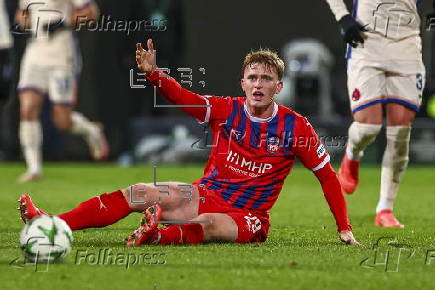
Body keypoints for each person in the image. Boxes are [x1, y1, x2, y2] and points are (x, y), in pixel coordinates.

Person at [18, 39, 359, 246]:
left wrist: (344, 228)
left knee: (208, 225)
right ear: (242, 82)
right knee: (139, 192)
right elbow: (185, 98)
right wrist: (154, 75)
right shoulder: (226, 110)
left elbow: (327, 176)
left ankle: (156, 235)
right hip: (205, 194)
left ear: (278, 87)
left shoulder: (295, 127)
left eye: (266, 79)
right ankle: (52, 223)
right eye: (252, 77)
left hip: (248, 216)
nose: (258, 84)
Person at [325, 0, 435, 227]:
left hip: (406, 46)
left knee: (401, 131)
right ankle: (352, 155)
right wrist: (342, 17)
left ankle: (385, 208)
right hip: (366, 43)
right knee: (368, 127)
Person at [15, 0, 108, 183]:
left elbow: (92, 12)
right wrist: (24, 20)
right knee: (27, 108)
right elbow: (22, 14)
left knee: (62, 121)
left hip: (61, 54)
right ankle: (34, 168)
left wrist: (62, 23)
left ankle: (91, 131)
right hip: (35, 52)